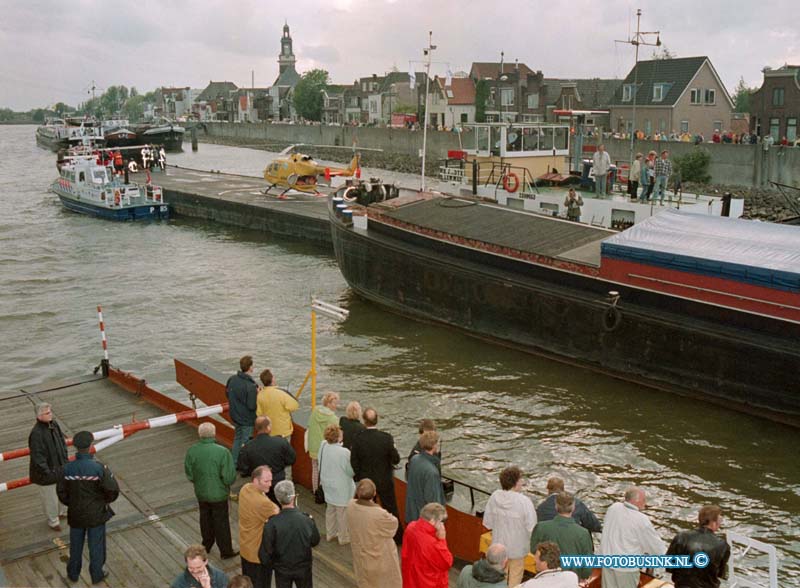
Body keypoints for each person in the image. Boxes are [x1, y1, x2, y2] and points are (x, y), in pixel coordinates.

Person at [57, 431, 119, 584]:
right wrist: (102, 502)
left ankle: (73, 573)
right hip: (96, 514)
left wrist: (72, 503)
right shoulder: (99, 468)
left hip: (76, 513)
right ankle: (97, 575)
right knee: (96, 546)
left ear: (75, 447)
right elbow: (113, 490)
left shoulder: (67, 469)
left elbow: (61, 492)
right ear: (91, 445)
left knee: (76, 545)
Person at [184, 422, 238, 559]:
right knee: (221, 522)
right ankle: (225, 551)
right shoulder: (222, 452)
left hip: (201, 492)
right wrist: (225, 484)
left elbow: (189, 473)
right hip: (219, 493)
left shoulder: (192, 450)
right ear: (214, 434)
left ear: (199, 434)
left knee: (205, 518)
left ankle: (206, 545)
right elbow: (229, 477)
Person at [350, 407, 402, 543]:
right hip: (385, 480)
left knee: (366, 510)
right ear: (376, 420)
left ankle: (368, 534)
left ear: (364, 421)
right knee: (390, 508)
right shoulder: (386, 438)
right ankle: (397, 537)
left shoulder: (358, 438)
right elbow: (396, 459)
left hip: (366, 481)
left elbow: (353, 461)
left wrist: (360, 476)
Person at [600, 486, 666, 588]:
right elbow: (655, 546)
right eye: (644, 500)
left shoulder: (613, 508)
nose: (645, 503)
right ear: (636, 501)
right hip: (626, 569)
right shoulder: (641, 519)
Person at [483, 465, 537, 588]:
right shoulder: (524, 502)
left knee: (498, 578)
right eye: (520, 479)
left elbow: (487, 523)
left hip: (498, 547)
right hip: (518, 549)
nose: (522, 482)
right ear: (515, 483)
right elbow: (532, 527)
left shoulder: (494, 497)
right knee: (515, 581)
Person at [260, 480, 320, 588]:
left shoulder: (272, 523)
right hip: (303, 568)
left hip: (282, 569)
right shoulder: (307, 520)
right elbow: (315, 541)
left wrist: (275, 565)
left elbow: (264, 555)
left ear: (278, 499)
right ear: (293, 497)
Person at [345, 479, 402, 588]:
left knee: (365, 582)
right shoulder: (379, 514)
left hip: (360, 554)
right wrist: (377, 507)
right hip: (379, 557)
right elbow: (393, 526)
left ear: (358, 492)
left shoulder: (350, 506)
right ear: (375, 493)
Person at [530, 492, 593, 580]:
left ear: (556, 506)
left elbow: (533, 550)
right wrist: (583, 576)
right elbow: (587, 565)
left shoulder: (541, 527)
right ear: (573, 507)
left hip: (546, 577)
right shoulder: (583, 533)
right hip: (571, 579)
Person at [666, 505, 730, 588]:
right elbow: (721, 574)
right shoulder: (722, 545)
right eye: (719, 520)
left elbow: (669, 567)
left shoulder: (681, 537)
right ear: (713, 523)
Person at [237, 416, 296, 505]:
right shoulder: (280, 442)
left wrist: (254, 473)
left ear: (256, 428)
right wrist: (280, 465)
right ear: (268, 428)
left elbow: (243, 467)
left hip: (259, 484)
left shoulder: (247, 447)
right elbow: (292, 459)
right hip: (278, 480)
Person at [28, 402, 68, 531]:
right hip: (46, 473)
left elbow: (62, 442)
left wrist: (65, 460)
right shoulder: (36, 433)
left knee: (63, 491)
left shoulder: (54, 424)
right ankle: (53, 521)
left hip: (60, 466)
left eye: (50, 411)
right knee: (50, 498)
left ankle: (63, 512)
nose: (51, 414)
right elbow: (37, 456)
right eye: (47, 413)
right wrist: (47, 471)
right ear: (39, 416)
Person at [239, 466, 279, 588]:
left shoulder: (245, 489)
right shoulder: (262, 503)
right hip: (258, 554)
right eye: (266, 481)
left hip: (246, 548)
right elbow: (277, 513)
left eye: (271, 480)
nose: (270, 484)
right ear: (256, 481)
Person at [318, 424, 355, 544]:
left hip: (327, 482)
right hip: (341, 486)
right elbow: (350, 471)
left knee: (330, 508)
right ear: (338, 437)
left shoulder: (323, 445)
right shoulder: (344, 452)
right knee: (342, 511)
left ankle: (330, 533)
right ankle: (343, 537)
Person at [401, 502, 453, 588]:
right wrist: (442, 540)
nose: (443, 524)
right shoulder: (432, 543)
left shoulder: (411, 526)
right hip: (428, 582)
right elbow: (447, 563)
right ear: (432, 521)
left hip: (412, 577)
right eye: (441, 521)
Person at [536, 476, 601, 534]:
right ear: (563, 489)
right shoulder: (577, 503)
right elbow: (594, 525)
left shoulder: (540, 508)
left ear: (548, 490)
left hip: (549, 544)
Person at [405, 430, 446, 523]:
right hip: (426, 520)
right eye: (438, 442)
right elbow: (432, 501)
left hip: (413, 514)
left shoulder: (415, 459)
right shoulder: (431, 472)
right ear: (434, 446)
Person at [227, 355, 259, 465]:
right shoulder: (250, 385)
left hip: (235, 415)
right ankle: (244, 465)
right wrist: (257, 394)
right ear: (250, 367)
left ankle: (234, 462)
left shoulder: (232, 379)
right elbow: (251, 406)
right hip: (246, 419)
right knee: (245, 442)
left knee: (237, 438)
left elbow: (227, 393)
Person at [306, 391, 339, 493]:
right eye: (334, 403)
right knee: (325, 471)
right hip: (325, 449)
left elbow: (309, 425)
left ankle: (316, 491)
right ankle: (323, 492)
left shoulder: (315, 411)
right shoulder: (333, 418)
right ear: (328, 403)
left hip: (313, 446)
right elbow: (336, 435)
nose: (336, 406)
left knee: (315, 469)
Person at [256, 369, 299, 441]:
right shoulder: (281, 393)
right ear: (272, 379)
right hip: (283, 431)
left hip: (269, 431)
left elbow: (259, 413)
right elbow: (294, 406)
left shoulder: (260, 395)